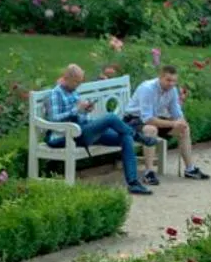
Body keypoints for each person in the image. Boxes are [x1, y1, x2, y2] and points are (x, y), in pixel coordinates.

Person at [44, 63, 153, 195]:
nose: (79, 85)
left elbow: (79, 114)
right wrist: (76, 110)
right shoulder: (55, 94)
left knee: (126, 137)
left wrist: (86, 109)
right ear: (68, 78)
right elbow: (54, 119)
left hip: (83, 130)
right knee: (110, 118)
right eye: (77, 82)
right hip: (66, 136)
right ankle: (139, 137)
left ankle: (133, 183)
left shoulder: (73, 91)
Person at [127, 63, 209, 179]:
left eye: (174, 81)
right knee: (151, 130)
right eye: (168, 80)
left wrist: (181, 122)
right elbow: (147, 119)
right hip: (133, 120)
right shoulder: (147, 89)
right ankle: (149, 173)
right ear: (160, 77)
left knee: (184, 129)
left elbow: (176, 112)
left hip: (154, 118)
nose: (171, 84)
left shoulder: (172, 90)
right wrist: (173, 123)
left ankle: (190, 169)